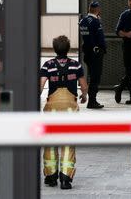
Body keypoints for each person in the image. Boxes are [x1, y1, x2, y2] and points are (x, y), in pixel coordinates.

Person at [39, 35, 88, 190]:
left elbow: (40, 85)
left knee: (50, 142)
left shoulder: (48, 65)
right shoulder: (75, 65)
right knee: (68, 141)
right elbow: (83, 85)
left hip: (52, 108)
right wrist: (84, 96)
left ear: (54, 49)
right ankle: (65, 179)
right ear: (68, 49)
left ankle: (51, 176)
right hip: (69, 109)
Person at [79, 0, 105, 109]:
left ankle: (91, 99)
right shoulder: (95, 22)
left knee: (91, 76)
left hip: (88, 53)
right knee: (95, 77)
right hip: (95, 53)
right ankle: (92, 101)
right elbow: (99, 38)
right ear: (98, 9)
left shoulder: (83, 21)